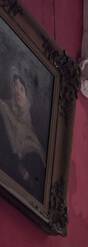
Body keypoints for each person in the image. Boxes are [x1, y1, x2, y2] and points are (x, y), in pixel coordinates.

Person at [0, 68, 46, 198]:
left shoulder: (32, 120)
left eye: (21, 89)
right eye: (15, 88)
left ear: (26, 92)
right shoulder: (5, 109)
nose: (18, 92)